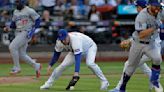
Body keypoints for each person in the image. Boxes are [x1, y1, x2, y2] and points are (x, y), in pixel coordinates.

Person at [109, 0, 163, 92]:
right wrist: (130, 41)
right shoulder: (141, 16)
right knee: (139, 64)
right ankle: (154, 80)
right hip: (141, 44)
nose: (136, 8)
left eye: (137, 6)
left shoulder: (154, 13)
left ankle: (119, 88)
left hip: (153, 46)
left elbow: (145, 35)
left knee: (129, 64)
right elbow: (140, 35)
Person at [40, 29, 109, 90]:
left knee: (90, 64)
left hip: (89, 47)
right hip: (74, 51)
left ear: (67, 35)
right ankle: (48, 84)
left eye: (64, 38)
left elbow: (78, 57)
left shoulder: (75, 39)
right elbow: (56, 54)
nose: (63, 40)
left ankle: (104, 81)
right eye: (61, 39)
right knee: (62, 66)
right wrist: (50, 65)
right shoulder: (59, 42)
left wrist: (76, 72)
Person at [3, 0, 42, 78]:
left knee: (12, 47)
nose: (17, 3)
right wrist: (8, 29)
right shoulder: (15, 12)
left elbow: (38, 20)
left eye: (18, 2)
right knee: (22, 54)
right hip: (18, 32)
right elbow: (13, 25)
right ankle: (36, 66)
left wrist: (32, 31)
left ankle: (17, 67)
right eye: (16, 2)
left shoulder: (29, 10)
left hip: (26, 32)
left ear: (22, 2)